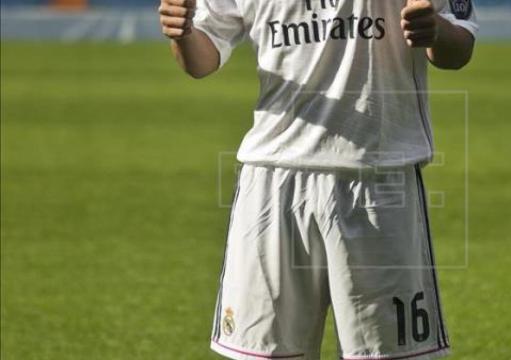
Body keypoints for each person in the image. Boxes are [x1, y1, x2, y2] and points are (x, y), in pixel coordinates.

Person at [158, 0, 477, 358]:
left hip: (378, 178)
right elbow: (203, 59)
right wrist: (182, 34)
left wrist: (435, 29)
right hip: (272, 181)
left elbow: (458, 45)